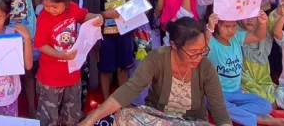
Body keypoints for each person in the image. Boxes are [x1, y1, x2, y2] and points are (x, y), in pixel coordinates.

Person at [80, 17, 232, 126]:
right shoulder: (157, 57)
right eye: (193, 52)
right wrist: (91, 119)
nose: (199, 57)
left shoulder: (206, 67)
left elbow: (220, 111)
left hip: (191, 122)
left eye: (202, 50)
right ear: (174, 45)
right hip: (157, 117)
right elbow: (128, 90)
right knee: (124, 115)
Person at [34, 0, 104, 126]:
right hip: (50, 78)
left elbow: (85, 16)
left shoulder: (72, 8)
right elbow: (41, 45)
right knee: (49, 118)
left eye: (55, 6)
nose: (50, 10)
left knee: (72, 115)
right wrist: (59, 54)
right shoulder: (43, 18)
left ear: (65, 1)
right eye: (46, 6)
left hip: (72, 74)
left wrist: (97, 18)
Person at [206, 13, 284, 126]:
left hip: (237, 92)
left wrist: (263, 23)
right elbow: (204, 42)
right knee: (214, 103)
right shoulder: (211, 42)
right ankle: (259, 120)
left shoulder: (236, 38)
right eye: (226, 27)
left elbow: (257, 36)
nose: (231, 30)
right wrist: (209, 27)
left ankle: (233, 112)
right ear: (216, 26)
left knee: (266, 106)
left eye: (233, 26)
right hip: (217, 94)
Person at [98, 0, 135, 100]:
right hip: (106, 35)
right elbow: (93, 12)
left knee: (123, 68)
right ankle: (106, 101)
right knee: (106, 70)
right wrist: (107, 14)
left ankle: (122, 102)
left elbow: (130, 5)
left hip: (124, 33)